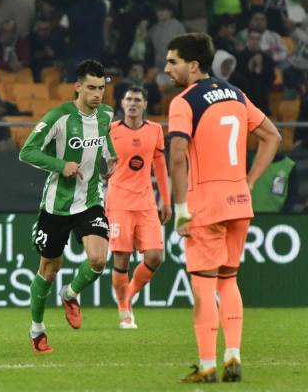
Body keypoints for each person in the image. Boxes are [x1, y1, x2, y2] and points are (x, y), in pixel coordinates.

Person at [165, 33, 282, 382]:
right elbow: (273, 136)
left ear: (193, 65)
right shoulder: (236, 94)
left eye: (173, 62)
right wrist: (249, 182)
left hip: (205, 204)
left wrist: (180, 208)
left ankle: (207, 366)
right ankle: (233, 356)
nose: (167, 68)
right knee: (228, 280)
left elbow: (176, 158)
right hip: (239, 202)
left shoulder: (184, 102)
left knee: (204, 286)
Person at [19, 60, 118, 354]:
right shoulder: (58, 117)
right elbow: (27, 152)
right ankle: (37, 329)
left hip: (90, 200)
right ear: (77, 87)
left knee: (98, 260)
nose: (97, 94)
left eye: (101, 88)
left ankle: (71, 293)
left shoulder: (106, 114)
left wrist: (110, 157)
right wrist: (61, 165)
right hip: (57, 205)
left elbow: (104, 137)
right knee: (49, 270)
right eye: (91, 88)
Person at [106, 86, 171, 329]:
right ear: (122, 104)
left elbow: (160, 165)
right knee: (121, 260)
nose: (132, 103)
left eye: (137, 100)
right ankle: (124, 312)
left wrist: (166, 200)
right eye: (129, 99)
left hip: (146, 202)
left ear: (145, 104)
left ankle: (129, 293)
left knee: (155, 256)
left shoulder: (155, 130)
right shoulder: (110, 130)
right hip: (119, 202)